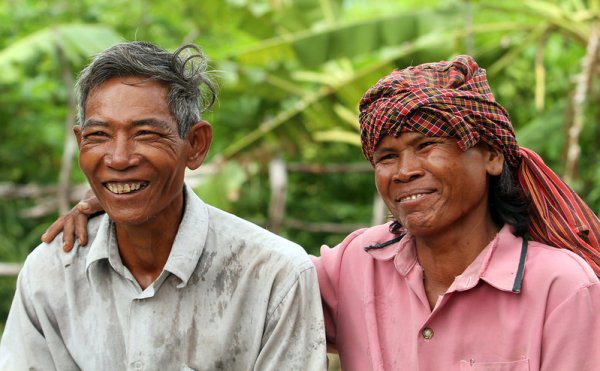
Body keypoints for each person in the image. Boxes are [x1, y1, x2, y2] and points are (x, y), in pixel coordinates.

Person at [41, 55, 600, 370]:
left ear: (493, 155)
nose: (403, 170)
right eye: (386, 156)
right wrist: (125, 203)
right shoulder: (358, 265)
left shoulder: (560, 286)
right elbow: (250, 278)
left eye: (428, 146)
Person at [0, 41, 327, 370]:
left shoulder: (273, 276)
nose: (119, 158)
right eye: (98, 135)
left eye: (145, 134)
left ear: (196, 145)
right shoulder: (52, 273)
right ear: (79, 142)